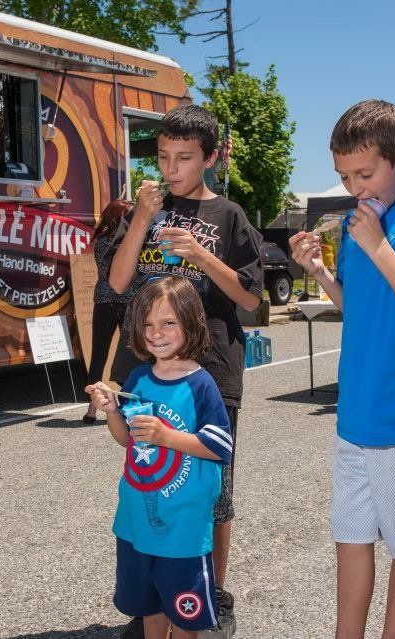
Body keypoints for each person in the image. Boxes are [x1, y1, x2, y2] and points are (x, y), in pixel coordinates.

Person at [289, 99, 395, 639]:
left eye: (366, 173)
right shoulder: (355, 222)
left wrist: (379, 244)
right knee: (352, 538)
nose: (355, 188)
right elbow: (363, 305)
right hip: (355, 413)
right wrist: (319, 271)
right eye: (345, 177)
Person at [107, 104, 263, 637]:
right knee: (152, 478)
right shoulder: (146, 209)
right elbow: (121, 281)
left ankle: (208, 593)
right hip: (145, 374)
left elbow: (249, 297)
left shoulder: (229, 216)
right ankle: (156, 593)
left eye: (185, 158)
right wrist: (143, 219)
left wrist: (198, 252)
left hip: (210, 372)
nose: (172, 169)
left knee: (211, 489)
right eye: (164, 157)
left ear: (211, 159)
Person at [85, 276, 233, 639]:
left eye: (168, 322)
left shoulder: (201, 384)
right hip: (137, 523)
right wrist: (110, 411)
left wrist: (167, 436)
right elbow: (127, 441)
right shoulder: (138, 377)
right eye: (148, 324)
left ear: (190, 323)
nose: (156, 332)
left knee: (184, 618)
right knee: (150, 609)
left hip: (182, 531)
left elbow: (219, 447)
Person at [83, 199, 135, 424]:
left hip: (103, 300)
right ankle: (129, 405)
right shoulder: (128, 242)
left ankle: (91, 409)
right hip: (126, 300)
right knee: (131, 353)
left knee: (99, 355)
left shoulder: (101, 240)